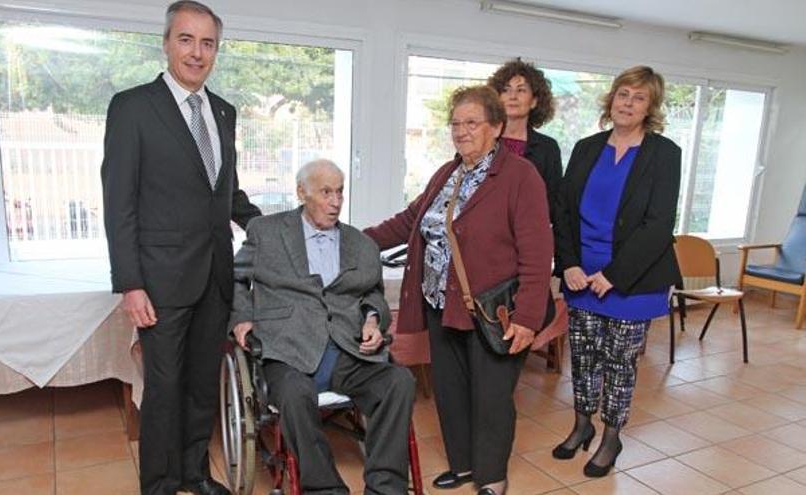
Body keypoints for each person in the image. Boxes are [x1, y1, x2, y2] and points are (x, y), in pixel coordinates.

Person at [101, 2, 261, 494]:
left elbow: (226, 194)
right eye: (186, 40)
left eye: (207, 43)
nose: (197, 52)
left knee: (199, 388)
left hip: (214, 277)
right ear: (167, 42)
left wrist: (277, 228)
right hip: (161, 281)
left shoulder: (223, 112)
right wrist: (130, 283)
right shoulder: (132, 107)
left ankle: (194, 473)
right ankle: (159, 484)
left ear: (217, 50)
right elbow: (118, 201)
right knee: (165, 391)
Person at [365, 86, 553, 495]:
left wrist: (526, 318)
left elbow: (538, 254)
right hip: (442, 305)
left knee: (491, 398)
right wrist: (353, 241)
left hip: (493, 311)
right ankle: (464, 465)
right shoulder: (448, 173)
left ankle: (492, 477)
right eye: (455, 123)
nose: (461, 131)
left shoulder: (520, 177)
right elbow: (409, 221)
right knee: (451, 393)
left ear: (497, 127)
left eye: (472, 123)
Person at [230, 159, 416, 495]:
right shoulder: (267, 233)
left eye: (340, 192)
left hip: (348, 350)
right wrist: (243, 317)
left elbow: (372, 293)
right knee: (295, 394)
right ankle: (324, 489)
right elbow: (234, 279)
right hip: (289, 350)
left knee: (399, 382)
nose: (335, 201)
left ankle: (386, 487)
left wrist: (373, 320)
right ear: (302, 193)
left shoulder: (360, 244)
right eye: (326, 192)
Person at [552, 65, 681, 477]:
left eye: (639, 97)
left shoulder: (664, 154)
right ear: (611, 99)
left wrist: (614, 275)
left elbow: (659, 224)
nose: (628, 103)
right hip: (580, 276)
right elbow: (564, 211)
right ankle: (581, 425)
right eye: (623, 94)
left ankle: (611, 437)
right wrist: (569, 263)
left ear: (650, 107)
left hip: (632, 280)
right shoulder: (586, 148)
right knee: (584, 358)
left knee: (619, 363)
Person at [487, 58, 562, 217]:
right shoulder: (481, 140)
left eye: (521, 90)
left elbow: (553, 203)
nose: (512, 96)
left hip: (528, 231)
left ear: (534, 101)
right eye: (506, 90)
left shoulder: (548, 148)